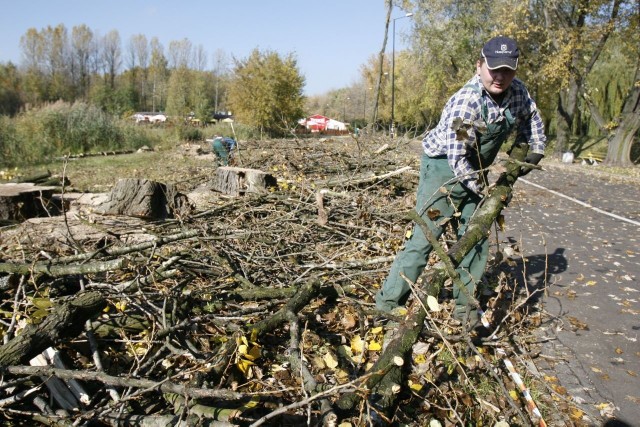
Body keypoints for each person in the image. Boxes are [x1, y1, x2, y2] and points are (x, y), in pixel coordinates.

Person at [375, 36, 546, 324]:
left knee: (475, 238)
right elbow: (458, 159)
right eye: (494, 69)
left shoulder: (518, 92)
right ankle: (388, 304)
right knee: (426, 237)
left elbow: (532, 119)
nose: (500, 77)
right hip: (443, 169)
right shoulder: (466, 103)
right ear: (480, 65)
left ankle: (464, 310)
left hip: (475, 168)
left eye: (508, 70)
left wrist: (536, 149)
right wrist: (485, 192)